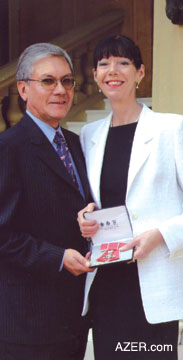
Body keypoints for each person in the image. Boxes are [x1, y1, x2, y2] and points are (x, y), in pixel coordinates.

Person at [77, 35, 183, 360]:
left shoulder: (172, 129)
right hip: (106, 281)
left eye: (124, 62)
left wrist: (161, 235)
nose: (113, 70)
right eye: (104, 63)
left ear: (140, 73)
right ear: (95, 75)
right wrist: (84, 216)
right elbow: (91, 200)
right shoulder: (88, 135)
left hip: (153, 281)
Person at [0, 43, 94, 360]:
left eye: (67, 81)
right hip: (29, 324)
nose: (60, 90)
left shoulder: (76, 144)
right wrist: (56, 257)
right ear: (23, 89)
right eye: (48, 81)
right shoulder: (8, 148)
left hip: (74, 317)